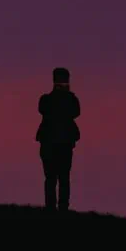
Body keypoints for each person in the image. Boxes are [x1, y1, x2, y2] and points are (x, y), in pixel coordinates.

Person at [35, 67, 80, 211]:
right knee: (61, 178)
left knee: (53, 178)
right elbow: (75, 112)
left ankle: (53, 208)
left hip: (52, 144)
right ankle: (61, 208)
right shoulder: (68, 100)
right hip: (62, 144)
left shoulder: (47, 100)